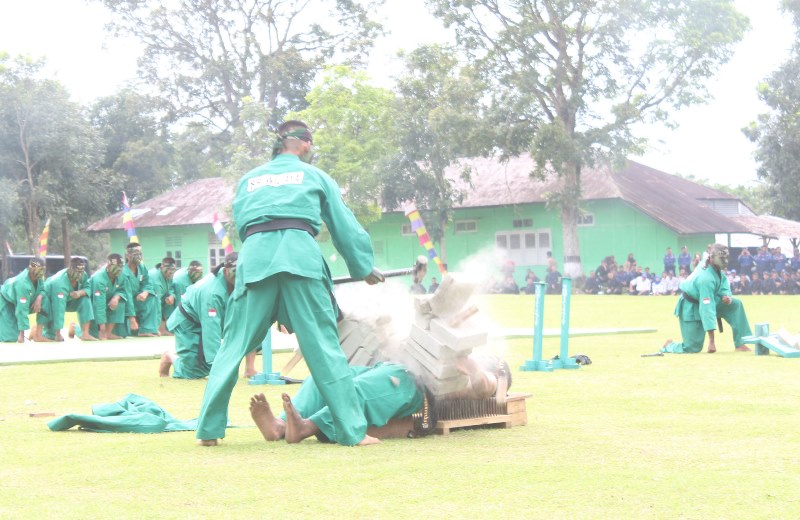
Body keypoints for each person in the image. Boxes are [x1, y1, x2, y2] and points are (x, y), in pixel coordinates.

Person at [195, 120, 384, 447]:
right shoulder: (314, 176)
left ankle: (208, 432)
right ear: (305, 144)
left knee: (233, 346)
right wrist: (363, 266)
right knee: (323, 346)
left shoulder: (250, 179)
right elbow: (342, 223)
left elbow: (242, 222)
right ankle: (352, 431)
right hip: (299, 259)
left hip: (254, 260)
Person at [249, 355, 510, 444]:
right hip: (392, 366)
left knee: (363, 389)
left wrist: (472, 368)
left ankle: (307, 427)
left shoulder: (494, 369)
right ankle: (280, 426)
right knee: (327, 377)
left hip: (419, 390)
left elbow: (486, 388)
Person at [159, 253, 256, 379]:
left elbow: (247, 322)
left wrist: (249, 367)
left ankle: (249, 369)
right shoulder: (212, 293)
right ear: (226, 271)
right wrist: (218, 367)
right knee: (194, 372)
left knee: (252, 326)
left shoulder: (243, 284)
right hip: (188, 322)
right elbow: (211, 330)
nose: (240, 276)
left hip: (206, 320)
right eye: (236, 271)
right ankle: (169, 357)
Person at [661, 244, 752, 354]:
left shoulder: (711, 262)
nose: (725, 261)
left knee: (735, 304)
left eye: (726, 258)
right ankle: (669, 346)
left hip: (710, 299)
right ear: (713, 258)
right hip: (691, 306)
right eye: (722, 258)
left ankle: (740, 343)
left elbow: (723, 282)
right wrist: (711, 341)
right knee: (692, 348)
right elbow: (707, 309)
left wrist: (726, 295)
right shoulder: (706, 279)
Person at [36, 257, 96, 342]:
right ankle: (38, 332)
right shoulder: (59, 282)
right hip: (51, 301)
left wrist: (80, 292)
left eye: (81, 272)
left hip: (70, 300)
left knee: (85, 298)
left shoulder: (83, 275)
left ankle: (84, 334)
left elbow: (88, 288)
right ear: (70, 270)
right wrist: (58, 334)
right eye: (77, 273)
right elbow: (58, 309)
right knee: (51, 335)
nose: (80, 275)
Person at [0, 257, 45, 342]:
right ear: (30, 267)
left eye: (42, 269)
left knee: (46, 300)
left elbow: (43, 289)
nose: (40, 272)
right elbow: (22, 310)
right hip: (6, 301)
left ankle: (37, 332)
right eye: (38, 269)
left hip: (18, 302)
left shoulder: (39, 277)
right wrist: (22, 335)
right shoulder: (22, 283)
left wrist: (39, 298)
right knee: (9, 338)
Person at [114, 242, 152, 337]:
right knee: (122, 334)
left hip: (138, 300)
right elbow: (127, 294)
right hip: (125, 303)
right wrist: (132, 319)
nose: (138, 256)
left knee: (152, 297)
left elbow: (148, 283)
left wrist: (145, 292)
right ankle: (77, 329)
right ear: (127, 255)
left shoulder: (142, 267)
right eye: (135, 254)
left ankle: (146, 329)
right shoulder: (123, 271)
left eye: (140, 253)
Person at [87, 254, 127, 340]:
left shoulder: (121, 275)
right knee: (94, 334)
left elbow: (123, 290)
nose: (119, 269)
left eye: (121, 267)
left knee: (120, 302)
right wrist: (102, 328)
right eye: (116, 266)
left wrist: (116, 297)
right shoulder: (99, 279)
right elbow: (99, 304)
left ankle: (109, 333)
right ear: (108, 265)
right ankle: (76, 328)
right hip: (92, 303)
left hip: (107, 300)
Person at [146, 257, 177, 336]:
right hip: (146, 299)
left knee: (169, 302)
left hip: (158, 297)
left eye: (173, 269)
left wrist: (171, 296)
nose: (171, 272)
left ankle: (162, 329)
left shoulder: (169, 275)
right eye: (169, 269)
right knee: (155, 302)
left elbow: (170, 288)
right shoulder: (155, 276)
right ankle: (151, 329)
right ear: (161, 267)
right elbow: (157, 299)